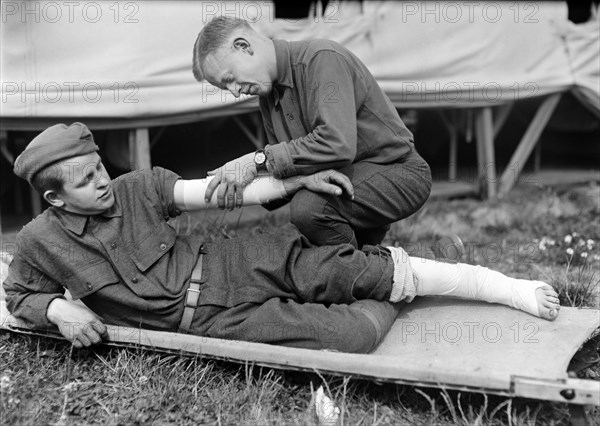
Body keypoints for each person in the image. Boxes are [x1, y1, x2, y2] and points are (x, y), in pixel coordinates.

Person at [3, 123, 560, 353]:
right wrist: (56, 310)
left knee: (344, 273)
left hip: (233, 261)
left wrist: (295, 179)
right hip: (215, 321)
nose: (102, 182)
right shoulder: (37, 242)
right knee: (355, 337)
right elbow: (17, 296)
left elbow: (221, 193)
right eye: (85, 181)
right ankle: (400, 272)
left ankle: (496, 285)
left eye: (99, 167)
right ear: (55, 199)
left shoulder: (136, 187)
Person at [192, 16, 432, 248]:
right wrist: (241, 185)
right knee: (296, 246)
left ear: (243, 46)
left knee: (310, 209)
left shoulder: (321, 58)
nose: (235, 92)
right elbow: (288, 170)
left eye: (230, 79)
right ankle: (381, 265)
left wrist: (256, 162)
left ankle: (366, 272)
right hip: (346, 185)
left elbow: (336, 144)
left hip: (397, 172)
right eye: (226, 87)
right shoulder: (267, 96)